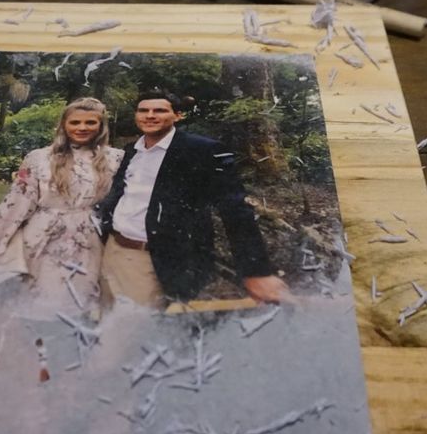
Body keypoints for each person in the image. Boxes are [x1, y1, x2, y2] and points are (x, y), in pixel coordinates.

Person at [96, 89, 289, 308]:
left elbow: (235, 209)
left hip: (153, 259)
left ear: (178, 115)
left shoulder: (201, 150)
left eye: (159, 110)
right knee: (106, 317)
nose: (150, 115)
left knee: (135, 326)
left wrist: (256, 271)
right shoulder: (132, 150)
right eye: (143, 110)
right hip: (113, 250)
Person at [0, 97, 123, 314]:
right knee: (43, 300)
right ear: (64, 124)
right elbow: (17, 201)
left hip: (89, 237)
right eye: (75, 122)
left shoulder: (115, 158)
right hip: (43, 237)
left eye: (90, 122)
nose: (82, 128)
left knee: (81, 301)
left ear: (101, 125)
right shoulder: (39, 158)